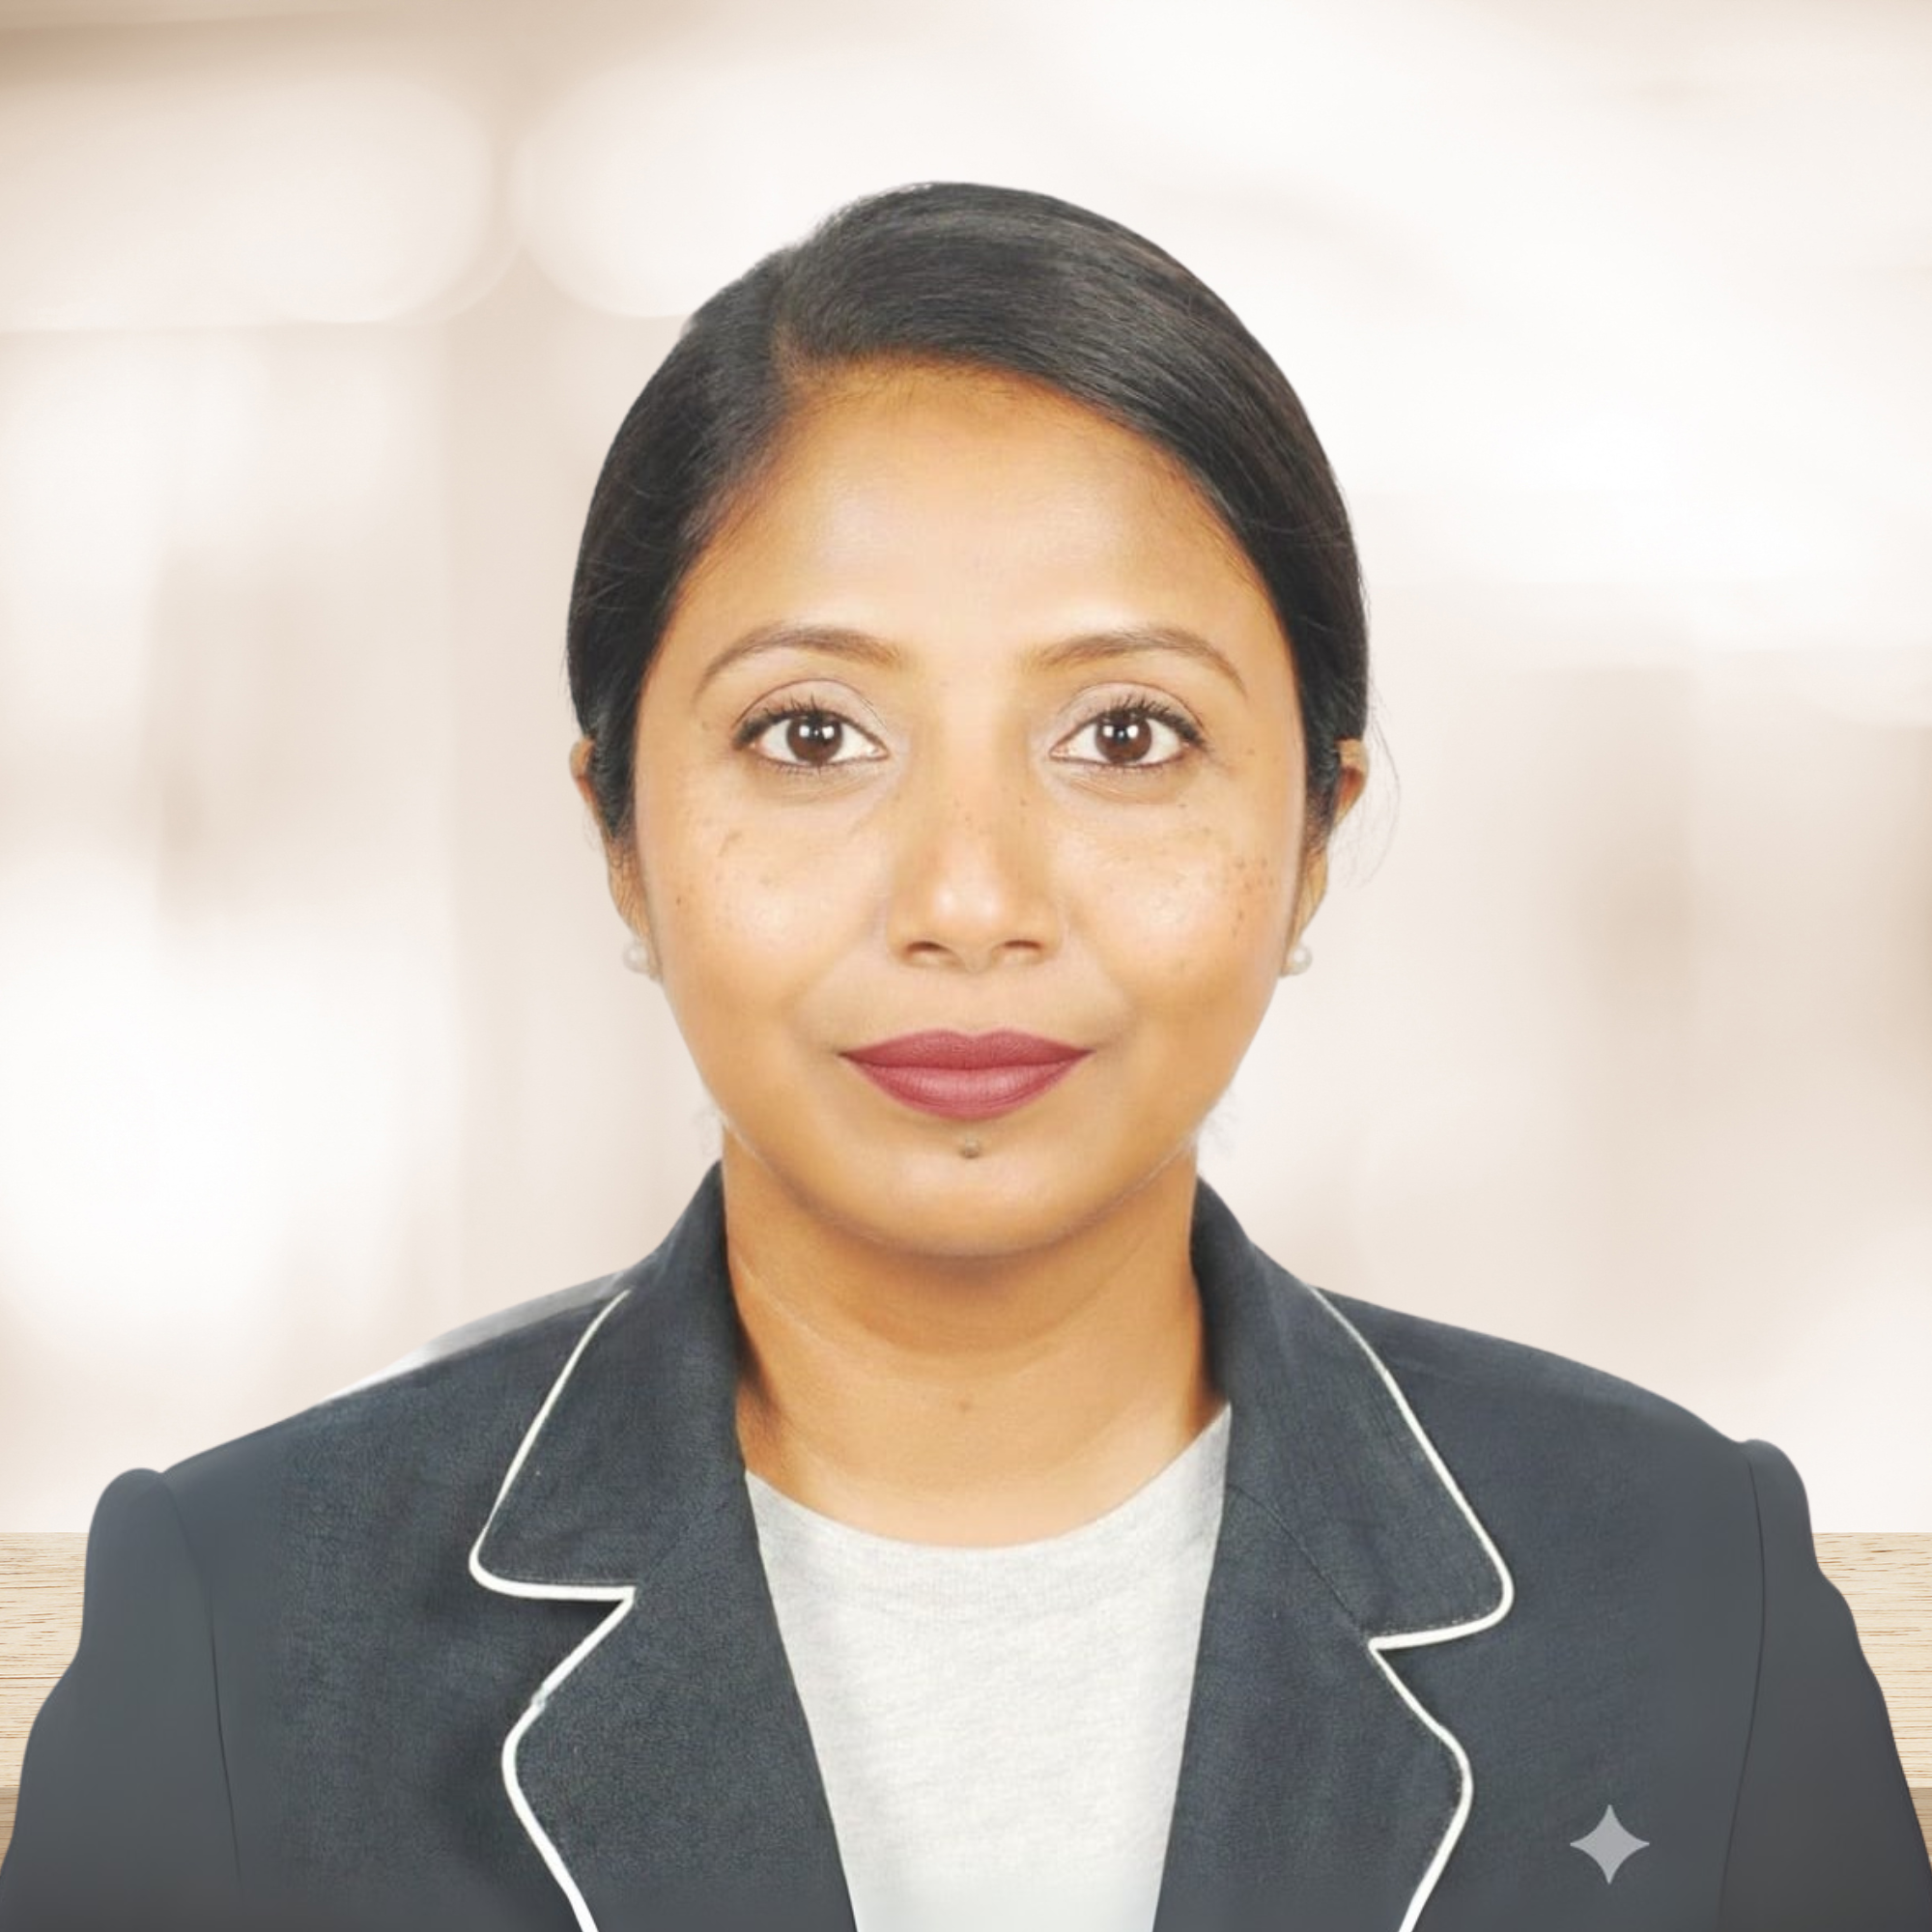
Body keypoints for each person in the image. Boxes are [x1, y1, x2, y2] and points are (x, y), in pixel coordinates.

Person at [1, 182, 1926, 1932]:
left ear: (1313, 838)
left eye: (1127, 736)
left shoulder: (1687, 1598)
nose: (971, 898)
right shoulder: (247, 1634)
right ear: (621, 840)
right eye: (812, 736)